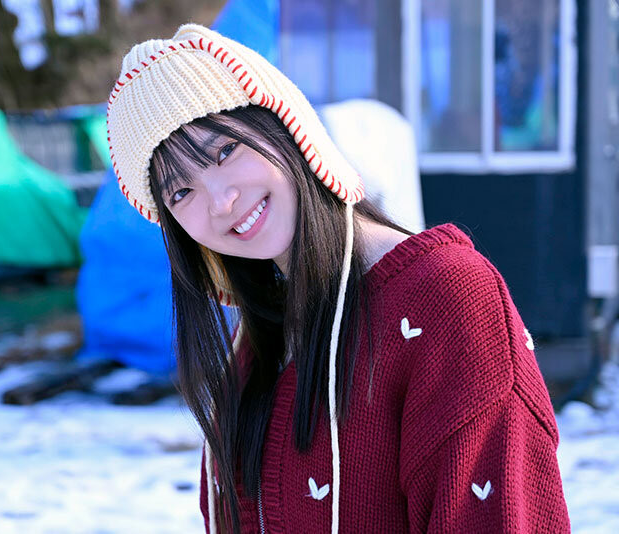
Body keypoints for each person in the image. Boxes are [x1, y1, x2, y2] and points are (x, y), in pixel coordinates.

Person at [106, 23, 570, 534]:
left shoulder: (448, 295)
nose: (220, 201)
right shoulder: (257, 342)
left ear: (285, 125)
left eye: (225, 151)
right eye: (180, 193)